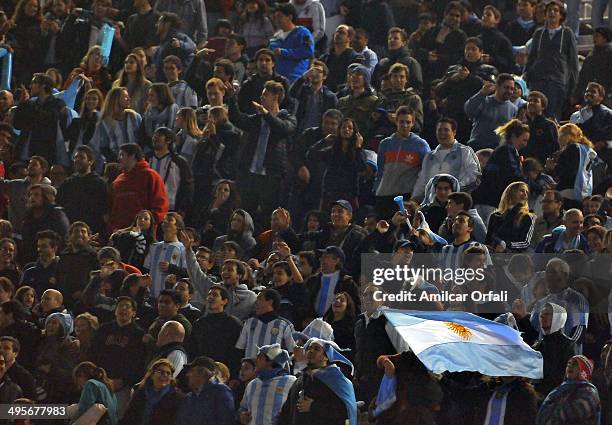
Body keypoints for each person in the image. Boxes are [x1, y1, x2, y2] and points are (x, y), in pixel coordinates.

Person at [226, 80, 296, 224]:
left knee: (266, 215)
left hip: (270, 176)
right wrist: (232, 98)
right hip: (250, 174)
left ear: (276, 97)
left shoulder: (288, 117)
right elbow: (238, 120)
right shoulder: (257, 119)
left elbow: (283, 129)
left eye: (265, 95)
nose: (261, 98)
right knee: (246, 213)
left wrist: (266, 114)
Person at [278, 337, 357, 425]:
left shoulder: (338, 381)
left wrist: (313, 407)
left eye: (316, 349)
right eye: (309, 348)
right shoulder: (300, 381)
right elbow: (286, 412)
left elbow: (345, 411)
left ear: (327, 356)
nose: (311, 351)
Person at [524, 0, 578, 121]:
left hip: (557, 81)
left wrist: (573, 88)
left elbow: (573, 62)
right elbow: (532, 57)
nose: (552, 13)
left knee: (552, 116)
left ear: (561, 15)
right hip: (538, 80)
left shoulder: (567, 33)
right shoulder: (539, 33)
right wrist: (527, 73)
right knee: (535, 115)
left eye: (556, 10)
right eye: (549, 10)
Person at [374, 106, 430, 220]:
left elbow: (426, 171)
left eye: (408, 122)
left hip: (405, 196)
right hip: (383, 195)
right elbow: (380, 170)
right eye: (401, 122)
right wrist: (376, 189)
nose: (404, 125)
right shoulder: (385, 144)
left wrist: (417, 197)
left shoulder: (421, 145)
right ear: (396, 122)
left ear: (413, 123)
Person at [472, 119, 529, 225]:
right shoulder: (507, 151)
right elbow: (515, 175)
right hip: (490, 201)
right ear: (513, 137)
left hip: (486, 200)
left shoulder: (504, 151)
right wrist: (534, 185)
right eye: (524, 140)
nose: (525, 144)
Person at [413, 117, 480, 202]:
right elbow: (422, 181)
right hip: (432, 206)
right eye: (439, 130)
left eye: (446, 130)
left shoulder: (465, 151)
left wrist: (454, 188)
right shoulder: (429, 156)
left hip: (456, 205)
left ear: (454, 132)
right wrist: (414, 198)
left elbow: (474, 176)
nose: (442, 133)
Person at [306, 117, 366, 211]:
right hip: (330, 195)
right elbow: (311, 155)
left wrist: (358, 147)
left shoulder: (357, 152)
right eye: (343, 127)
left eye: (350, 128)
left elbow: (361, 168)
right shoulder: (332, 151)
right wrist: (323, 141)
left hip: (349, 196)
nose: (346, 129)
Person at [108, 144, 169, 233]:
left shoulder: (150, 176)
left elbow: (160, 204)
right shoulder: (118, 181)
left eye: (122, 155)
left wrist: (149, 224)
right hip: (119, 233)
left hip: (144, 234)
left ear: (132, 156)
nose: (119, 159)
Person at [12, 73, 70, 165]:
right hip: (25, 152)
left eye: (34, 83)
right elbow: (17, 124)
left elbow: (46, 119)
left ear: (43, 86)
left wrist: (29, 107)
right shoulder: (29, 104)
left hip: (46, 154)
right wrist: (22, 104)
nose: (30, 86)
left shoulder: (57, 103)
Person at [190, 285, 243, 379]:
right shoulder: (199, 324)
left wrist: (234, 377)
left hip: (224, 374)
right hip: (202, 373)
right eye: (209, 295)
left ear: (224, 301)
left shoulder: (234, 324)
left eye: (215, 295)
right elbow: (193, 350)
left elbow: (236, 354)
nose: (210, 297)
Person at [238, 343, 295, 425]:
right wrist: (241, 415)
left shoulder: (290, 382)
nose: (255, 360)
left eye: (259, 357)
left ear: (270, 361)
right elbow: (243, 408)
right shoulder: (252, 384)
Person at [57, 145, 108, 235]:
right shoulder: (67, 184)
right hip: (71, 230)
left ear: (90, 161)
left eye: (82, 157)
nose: (77, 160)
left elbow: (104, 209)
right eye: (76, 157)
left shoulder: (99, 184)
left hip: (93, 230)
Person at [537, 355, 601, 425]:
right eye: (569, 364)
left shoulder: (589, 392)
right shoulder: (560, 389)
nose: (570, 366)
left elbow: (574, 412)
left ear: (583, 370)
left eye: (575, 364)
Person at [547, 124, 598, 209]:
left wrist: (553, 167)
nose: (559, 139)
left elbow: (570, 172)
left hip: (568, 194)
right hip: (583, 193)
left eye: (561, 134)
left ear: (568, 135)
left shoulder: (572, 147)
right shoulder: (586, 150)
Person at [0, 156, 51, 240]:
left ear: (43, 169)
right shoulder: (16, 185)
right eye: (30, 164)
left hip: (37, 236)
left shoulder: (49, 190)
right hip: (15, 234)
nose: (30, 166)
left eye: (34, 164)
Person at [89, 87, 143, 165]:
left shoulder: (134, 117)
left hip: (136, 161)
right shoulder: (105, 122)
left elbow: (141, 138)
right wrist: (116, 160)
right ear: (116, 100)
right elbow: (103, 146)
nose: (128, 99)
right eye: (125, 97)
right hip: (116, 162)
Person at [120, 358, 184, 425]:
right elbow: (128, 417)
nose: (165, 375)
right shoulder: (140, 393)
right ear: (152, 375)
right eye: (161, 372)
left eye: (168, 373)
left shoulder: (177, 398)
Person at [236, 288, 295, 359]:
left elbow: (292, 351)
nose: (255, 302)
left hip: (274, 369)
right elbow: (240, 348)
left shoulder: (285, 325)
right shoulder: (249, 322)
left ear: (270, 302)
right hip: (251, 369)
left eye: (259, 298)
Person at [146, 127, 193, 215]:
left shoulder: (179, 162)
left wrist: (182, 209)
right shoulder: (146, 159)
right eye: (154, 135)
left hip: (171, 208)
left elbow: (188, 187)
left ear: (168, 140)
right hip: (148, 208)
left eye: (159, 136)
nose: (155, 138)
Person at [464, 73, 518, 151]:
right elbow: (468, 109)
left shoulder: (514, 109)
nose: (509, 91)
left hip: (497, 151)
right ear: (497, 87)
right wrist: (482, 93)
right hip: (477, 147)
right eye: (506, 87)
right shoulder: (484, 101)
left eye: (512, 89)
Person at [176, 356, 235, 425]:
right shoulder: (189, 398)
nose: (187, 375)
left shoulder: (221, 392)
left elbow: (225, 421)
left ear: (202, 373)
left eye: (191, 371)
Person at [21, 184, 70, 265]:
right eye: (30, 195)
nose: (32, 197)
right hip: (32, 259)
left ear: (45, 197)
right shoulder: (28, 217)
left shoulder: (56, 214)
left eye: (36, 194)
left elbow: (63, 238)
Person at [269, 3, 315, 83]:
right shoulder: (275, 38)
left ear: (289, 17)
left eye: (280, 16)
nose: (276, 20)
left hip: (295, 81)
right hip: (277, 82)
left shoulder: (302, 33)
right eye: (275, 17)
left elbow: (308, 51)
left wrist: (284, 52)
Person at [289, 61, 338, 135]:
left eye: (318, 71)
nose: (314, 74)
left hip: (320, 134)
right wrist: (303, 77)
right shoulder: (303, 90)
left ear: (324, 76)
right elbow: (291, 93)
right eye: (312, 71)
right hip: (300, 132)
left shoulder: (330, 97)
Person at [374, 27, 423, 94]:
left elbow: (417, 88)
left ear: (403, 43)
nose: (392, 40)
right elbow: (375, 83)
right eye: (389, 39)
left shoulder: (412, 63)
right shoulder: (383, 63)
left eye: (396, 38)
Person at [151, 12, 196, 83]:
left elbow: (192, 47)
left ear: (167, 24)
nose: (156, 25)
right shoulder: (162, 43)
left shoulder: (178, 37)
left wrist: (180, 44)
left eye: (159, 22)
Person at [522, 91, 559, 166]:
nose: (531, 103)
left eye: (535, 101)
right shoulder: (522, 125)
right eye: (529, 100)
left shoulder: (549, 126)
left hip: (541, 167)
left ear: (543, 106)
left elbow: (554, 148)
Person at [570, 82, 612, 146]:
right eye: (587, 91)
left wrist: (605, 143)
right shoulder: (575, 115)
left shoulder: (608, 114)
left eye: (593, 92)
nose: (588, 93)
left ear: (601, 97)